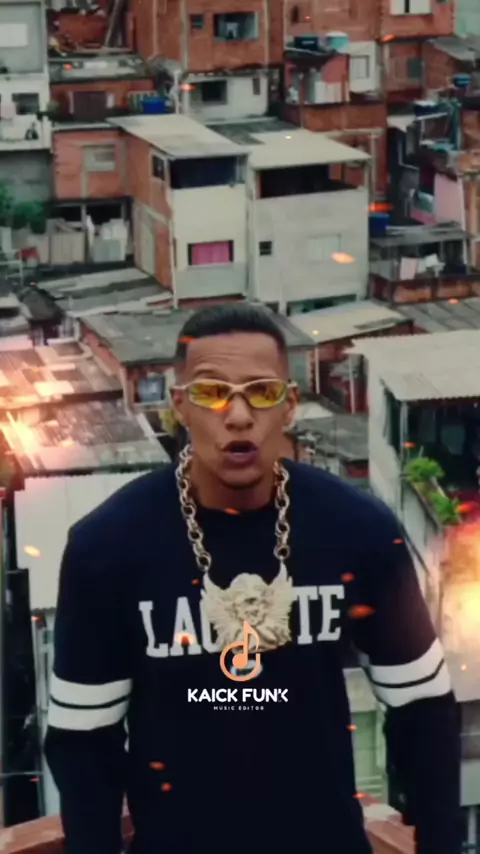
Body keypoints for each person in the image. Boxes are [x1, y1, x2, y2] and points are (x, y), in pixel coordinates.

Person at [45, 302, 460, 854]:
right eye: (212, 392)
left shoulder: (357, 530)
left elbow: (423, 708)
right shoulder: (108, 547)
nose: (238, 415)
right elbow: (83, 743)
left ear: (289, 406)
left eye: (261, 393)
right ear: (179, 406)